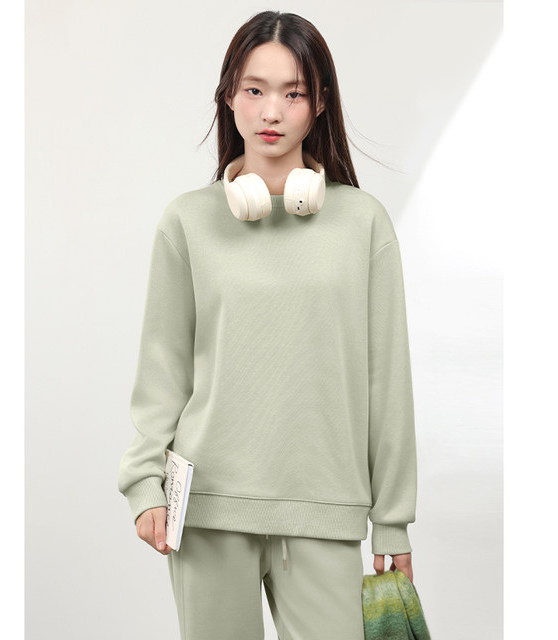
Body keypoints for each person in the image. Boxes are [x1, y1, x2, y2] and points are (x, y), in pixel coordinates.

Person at [118, 10, 418, 640]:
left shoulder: (362, 224)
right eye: (255, 90)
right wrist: (144, 482)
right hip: (206, 507)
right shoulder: (188, 222)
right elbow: (164, 367)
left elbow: (386, 381)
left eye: (294, 93)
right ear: (229, 96)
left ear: (320, 103)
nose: (271, 112)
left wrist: (392, 520)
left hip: (325, 506)